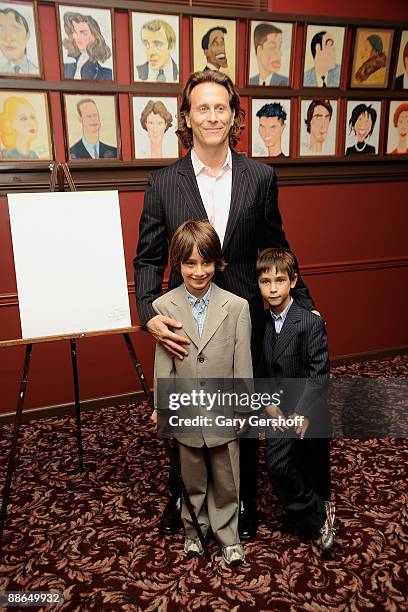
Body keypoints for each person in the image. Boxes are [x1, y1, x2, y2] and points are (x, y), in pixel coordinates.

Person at [134, 69, 316, 542]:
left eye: (222, 108)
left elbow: (277, 245)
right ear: (187, 117)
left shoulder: (260, 177)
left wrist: (306, 305)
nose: (212, 116)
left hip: (243, 319)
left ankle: (244, 504)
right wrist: (150, 315)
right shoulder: (162, 182)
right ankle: (186, 499)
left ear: (234, 117)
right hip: (184, 323)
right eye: (202, 108)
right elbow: (149, 259)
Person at [153, 220, 251, 565]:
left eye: (206, 262)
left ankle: (228, 534)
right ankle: (195, 531)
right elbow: (164, 362)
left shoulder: (237, 306)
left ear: (218, 263)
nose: (198, 272)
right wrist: (162, 406)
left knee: (227, 478)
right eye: (189, 263)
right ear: (177, 263)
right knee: (192, 476)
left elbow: (243, 362)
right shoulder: (165, 307)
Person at [256, 248, 335, 552]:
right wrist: (270, 406)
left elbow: (319, 374)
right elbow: (261, 371)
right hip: (276, 408)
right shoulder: (260, 323)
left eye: (279, 280)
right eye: (265, 281)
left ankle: (319, 504)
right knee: (277, 466)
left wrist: (301, 412)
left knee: (310, 463)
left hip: (306, 407)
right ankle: (318, 516)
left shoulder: (309, 323)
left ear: (293, 281)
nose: (272, 288)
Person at [62, 12, 112, 80]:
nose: (78, 37)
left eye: (84, 33)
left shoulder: (106, 74)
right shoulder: (66, 66)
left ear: (94, 36)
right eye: (75, 32)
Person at [0, 7, 38, 75]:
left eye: (15, 30)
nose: (8, 39)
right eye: (1, 30)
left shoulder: (36, 71)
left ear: (27, 36)